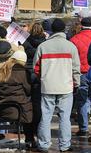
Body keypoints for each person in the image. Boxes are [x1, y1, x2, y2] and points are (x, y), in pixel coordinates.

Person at [34, 19, 81, 152]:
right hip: (66, 87)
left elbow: (36, 68)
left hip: (47, 86)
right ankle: (65, 145)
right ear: (63, 30)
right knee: (65, 118)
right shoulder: (70, 46)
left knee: (46, 117)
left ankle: (43, 144)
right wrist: (76, 83)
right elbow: (76, 68)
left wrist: (43, 79)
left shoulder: (43, 46)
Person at [0, 50, 34, 147]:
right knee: (30, 110)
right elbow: (28, 90)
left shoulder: (2, 70)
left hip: (3, 110)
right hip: (19, 111)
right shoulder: (23, 72)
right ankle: (29, 139)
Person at [69, 17, 91, 136]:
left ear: (81, 25)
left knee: (82, 101)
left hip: (81, 73)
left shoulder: (74, 39)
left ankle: (83, 128)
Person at [22, 22, 46, 145]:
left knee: (26, 106)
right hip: (39, 75)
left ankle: (28, 136)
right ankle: (38, 132)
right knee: (38, 106)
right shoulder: (45, 44)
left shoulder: (24, 42)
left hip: (26, 75)